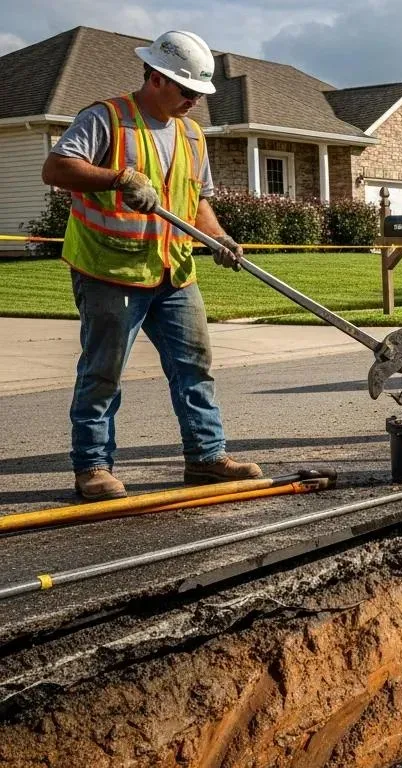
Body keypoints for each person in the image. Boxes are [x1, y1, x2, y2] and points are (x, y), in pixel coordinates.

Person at [41, 30, 260, 500]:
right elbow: (56, 168)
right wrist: (118, 177)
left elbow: (197, 199)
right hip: (111, 270)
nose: (194, 102)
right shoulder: (107, 118)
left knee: (194, 366)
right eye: (187, 91)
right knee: (104, 371)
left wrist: (218, 236)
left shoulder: (192, 134)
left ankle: (206, 457)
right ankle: (93, 467)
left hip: (174, 271)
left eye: (200, 94)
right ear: (157, 78)